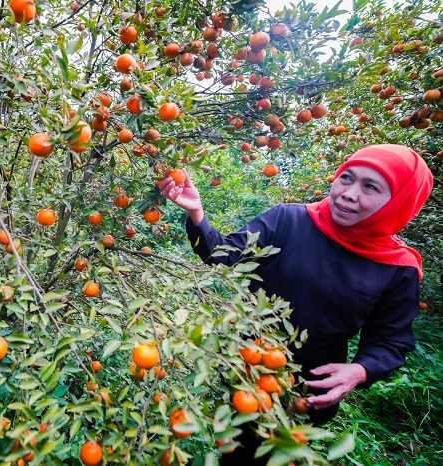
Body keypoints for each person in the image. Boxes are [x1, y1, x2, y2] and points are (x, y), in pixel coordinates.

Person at [159, 144, 434, 465]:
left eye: (370, 187)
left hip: (307, 391)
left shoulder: (397, 268)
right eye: (347, 178)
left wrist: (360, 370)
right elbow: (222, 254)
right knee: (233, 452)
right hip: (244, 368)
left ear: (399, 201)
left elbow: (391, 342)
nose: (348, 193)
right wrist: (197, 215)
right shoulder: (288, 220)